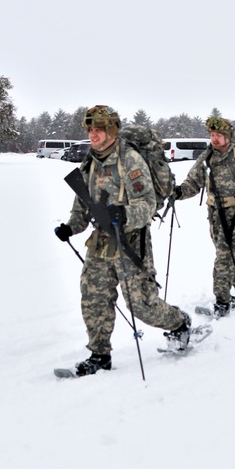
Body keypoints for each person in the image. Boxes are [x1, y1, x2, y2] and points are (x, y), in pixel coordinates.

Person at [53, 105, 194, 375]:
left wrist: (124, 213)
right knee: (93, 297)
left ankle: (179, 323)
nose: (93, 134)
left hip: (131, 240)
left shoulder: (129, 160)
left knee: (141, 305)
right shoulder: (90, 160)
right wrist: (71, 228)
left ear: (112, 130)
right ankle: (99, 355)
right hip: (101, 240)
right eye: (90, 129)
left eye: (99, 129)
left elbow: (148, 204)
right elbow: (82, 205)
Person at [171, 116, 235, 317]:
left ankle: (222, 302)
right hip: (214, 213)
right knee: (229, 254)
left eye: (219, 135)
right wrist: (178, 192)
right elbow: (193, 183)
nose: (215, 139)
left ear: (228, 136)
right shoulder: (206, 158)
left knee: (224, 255)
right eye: (212, 135)